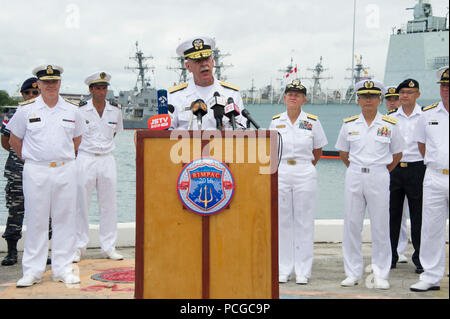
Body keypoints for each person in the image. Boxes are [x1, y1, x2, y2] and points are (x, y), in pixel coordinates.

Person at [6, 65, 85, 287]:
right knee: (36, 220)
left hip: (65, 168)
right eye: (46, 82)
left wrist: (62, 157)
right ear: (38, 84)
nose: (50, 85)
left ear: (60, 83)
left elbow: (77, 140)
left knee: (65, 220)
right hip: (36, 170)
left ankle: (63, 269)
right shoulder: (25, 110)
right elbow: (14, 140)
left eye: (54, 81)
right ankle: (32, 271)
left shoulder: (72, 110)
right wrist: (31, 160)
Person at [335, 80, 404, 290]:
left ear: (379, 100)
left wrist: (379, 170)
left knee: (381, 225)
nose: (368, 100)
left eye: (372, 96)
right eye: (364, 96)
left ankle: (381, 272)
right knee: (352, 225)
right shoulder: (349, 124)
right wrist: (359, 168)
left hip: (379, 175)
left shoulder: (390, 125)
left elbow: (397, 154)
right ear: (358, 100)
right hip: (355, 174)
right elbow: (344, 154)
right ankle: (353, 272)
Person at [269, 79, 328, 285]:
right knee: (282, 222)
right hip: (282, 170)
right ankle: (283, 269)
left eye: (297, 94)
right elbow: (270, 149)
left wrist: (306, 166)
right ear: (284, 98)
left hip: (304, 170)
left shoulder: (312, 121)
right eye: (289, 93)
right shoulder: (276, 121)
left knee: (304, 222)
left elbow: (318, 149)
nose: (293, 96)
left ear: (303, 99)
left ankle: (303, 270)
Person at [1, 77, 53, 266]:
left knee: (43, 212)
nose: (31, 95)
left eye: (35, 92)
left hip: (41, 170)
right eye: (27, 93)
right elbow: (6, 140)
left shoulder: (48, 113)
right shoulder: (16, 113)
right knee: (15, 211)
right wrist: (22, 154)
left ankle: (40, 251)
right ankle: (12, 252)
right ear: (22, 95)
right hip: (17, 172)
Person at [73, 71, 124, 263]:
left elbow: (114, 133)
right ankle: (79, 247)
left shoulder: (115, 111)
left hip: (107, 159)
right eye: (98, 88)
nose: (102, 92)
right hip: (85, 157)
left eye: (104, 88)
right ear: (90, 90)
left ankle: (108, 247)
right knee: (81, 204)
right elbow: (74, 136)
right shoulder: (79, 111)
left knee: (109, 204)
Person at [410, 66, 449, 292]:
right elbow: (422, 145)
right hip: (435, 176)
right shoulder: (428, 114)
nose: (446, 90)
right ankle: (431, 276)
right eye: (444, 86)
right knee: (431, 228)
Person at [386, 79, 424, 274]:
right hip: (395, 169)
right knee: (392, 214)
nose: (404, 96)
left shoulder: (425, 115)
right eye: (402, 92)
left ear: (417, 94)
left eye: (409, 92)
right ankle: (390, 256)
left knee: (419, 215)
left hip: (418, 168)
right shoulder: (391, 117)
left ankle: (420, 258)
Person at [168, 36, 246, 130]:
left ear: (212, 62)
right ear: (188, 67)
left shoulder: (231, 94)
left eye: (207, 59)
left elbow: (242, 129)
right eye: (198, 61)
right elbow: (165, 134)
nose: (204, 64)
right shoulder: (175, 96)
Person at [385, 85, 409, 264]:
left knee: (407, 212)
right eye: (389, 99)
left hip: (412, 168)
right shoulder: (385, 120)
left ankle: (401, 248)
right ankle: (392, 249)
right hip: (391, 168)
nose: (392, 102)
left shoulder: (406, 118)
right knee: (393, 211)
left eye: (395, 98)